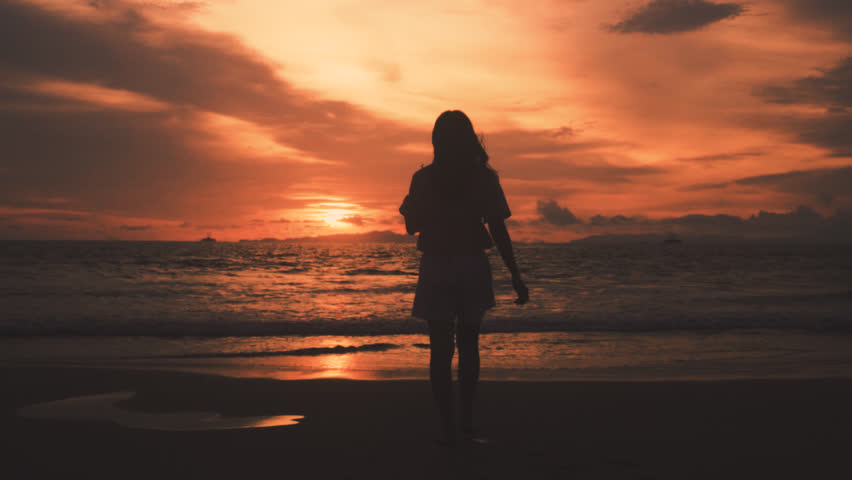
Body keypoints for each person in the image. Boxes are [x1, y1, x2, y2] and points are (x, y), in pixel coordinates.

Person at [399, 110, 529, 446]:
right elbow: (498, 228)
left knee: (440, 350)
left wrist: (407, 209)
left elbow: (412, 227)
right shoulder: (484, 178)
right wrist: (515, 274)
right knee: (469, 346)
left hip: (437, 266)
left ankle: (446, 427)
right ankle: (466, 422)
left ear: (436, 140)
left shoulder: (423, 179)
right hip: (472, 265)